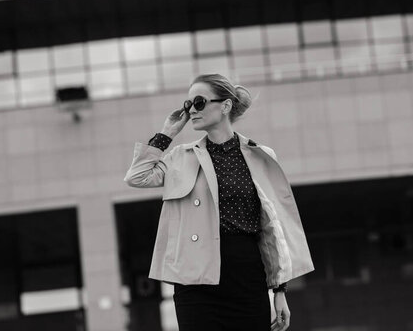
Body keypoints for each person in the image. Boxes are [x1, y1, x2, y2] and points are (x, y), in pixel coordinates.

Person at [124, 73, 314, 331]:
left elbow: (271, 228)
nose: (192, 110)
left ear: (225, 106)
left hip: (246, 273)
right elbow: (137, 177)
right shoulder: (180, 157)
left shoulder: (260, 155)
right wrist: (166, 134)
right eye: (188, 104)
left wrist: (279, 290)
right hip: (195, 280)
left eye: (199, 102)